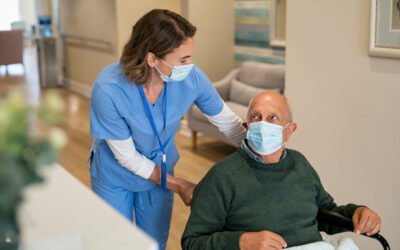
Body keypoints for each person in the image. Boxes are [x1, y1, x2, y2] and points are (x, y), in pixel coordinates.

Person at [89, 9, 246, 250]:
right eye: (183, 60)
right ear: (152, 59)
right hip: (115, 174)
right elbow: (127, 157)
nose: (190, 65)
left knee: (153, 244)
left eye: (190, 57)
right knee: (115, 243)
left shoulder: (191, 77)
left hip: (159, 170)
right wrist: (179, 184)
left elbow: (227, 122)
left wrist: (259, 148)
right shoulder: (109, 89)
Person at [181, 92, 382, 250]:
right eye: (256, 117)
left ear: (289, 129)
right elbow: (192, 242)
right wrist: (240, 242)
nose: (262, 124)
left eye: (273, 117)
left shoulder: (300, 164)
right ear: (246, 126)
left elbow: (325, 213)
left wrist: (358, 212)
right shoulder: (222, 176)